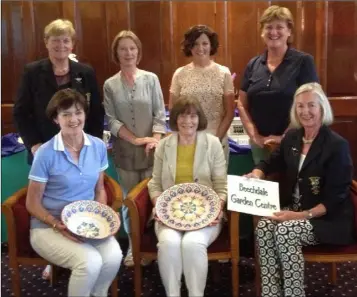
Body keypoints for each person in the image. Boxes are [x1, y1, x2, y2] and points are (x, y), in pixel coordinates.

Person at [246, 83, 356, 297]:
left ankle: (294, 294)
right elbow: (269, 163)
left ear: (322, 108)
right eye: (300, 106)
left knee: (286, 231)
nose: (305, 112)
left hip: (328, 219)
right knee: (264, 228)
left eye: (311, 105)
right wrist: (257, 173)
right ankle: (271, 294)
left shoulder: (336, 145)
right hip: (295, 210)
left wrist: (299, 216)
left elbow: (337, 197)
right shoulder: (292, 138)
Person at [26, 89, 122, 297]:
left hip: (86, 224)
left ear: (85, 114)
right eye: (66, 114)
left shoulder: (97, 146)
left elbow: (99, 190)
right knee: (89, 262)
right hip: (48, 228)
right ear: (55, 119)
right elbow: (32, 203)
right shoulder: (45, 153)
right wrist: (55, 224)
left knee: (114, 256)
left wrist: (102, 218)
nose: (73, 119)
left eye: (78, 112)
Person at [148, 97, 227, 297]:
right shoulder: (163, 145)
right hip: (169, 215)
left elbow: (221, 186)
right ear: (175, 118)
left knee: (192, 244)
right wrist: (159, 206)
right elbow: (155, 184)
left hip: (206, 215)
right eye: (182, 115)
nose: (187, 121)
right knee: (168, 244)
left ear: (199, 119)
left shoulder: (213, 143)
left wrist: (218, 208)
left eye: (192, 116)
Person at [103, 30, 166, 266]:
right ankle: (134, 246)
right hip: (126, 154)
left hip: (152, 152)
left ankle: (157, 246)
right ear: (116, 53)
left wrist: (155, 139)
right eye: (123, 49)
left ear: (138, 52)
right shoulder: (110, 84)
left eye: (132, 48)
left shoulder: (151, 79)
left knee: (154, 200)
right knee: (130, 203)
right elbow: (112, 120)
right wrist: (136, 140)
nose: (128, 53)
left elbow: (160, 114)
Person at [13, 19, 104, 165]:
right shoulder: (32, 73)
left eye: (66, 40)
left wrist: (94, 143)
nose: (61, 45)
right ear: (46, 42)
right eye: (55, 40)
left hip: (81, 149)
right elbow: (21, 113)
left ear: (72, 44)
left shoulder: (86, 72)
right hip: (44, 148)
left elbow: (96, 112)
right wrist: (34, 144)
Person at [237, 5, 319, 165]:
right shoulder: (253, 64)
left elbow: (311, 104)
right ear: (262, 32)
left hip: (296, 141)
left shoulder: (303, 61)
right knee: (264, 184)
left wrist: (283, 137)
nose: (273, 32)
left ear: (289, 31)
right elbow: (241, 104)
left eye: (279, 27)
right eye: (268, 27)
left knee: (291, 188)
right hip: (260, 145)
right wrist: (255, 135)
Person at [169, 24, 235, 161]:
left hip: (217, 141)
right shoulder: (179, 74)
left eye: (205, 43)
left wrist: (215, 141)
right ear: (189, 46)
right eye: (196, 43)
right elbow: (173, 110)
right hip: (187, 142)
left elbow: (229, 113)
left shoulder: (224, 73)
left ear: (211, 46)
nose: (200, 48)